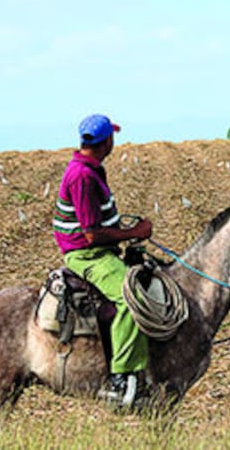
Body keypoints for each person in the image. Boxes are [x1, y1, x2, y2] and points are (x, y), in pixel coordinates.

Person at [52, 113, 154, 408]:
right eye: (113, 136)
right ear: (106, 140)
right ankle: (121, 378)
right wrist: (135, 232)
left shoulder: (91, 168)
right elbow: (91, 236)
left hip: (97, 249)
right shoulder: (82, 176)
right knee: (131, 296)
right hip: (87, 254)